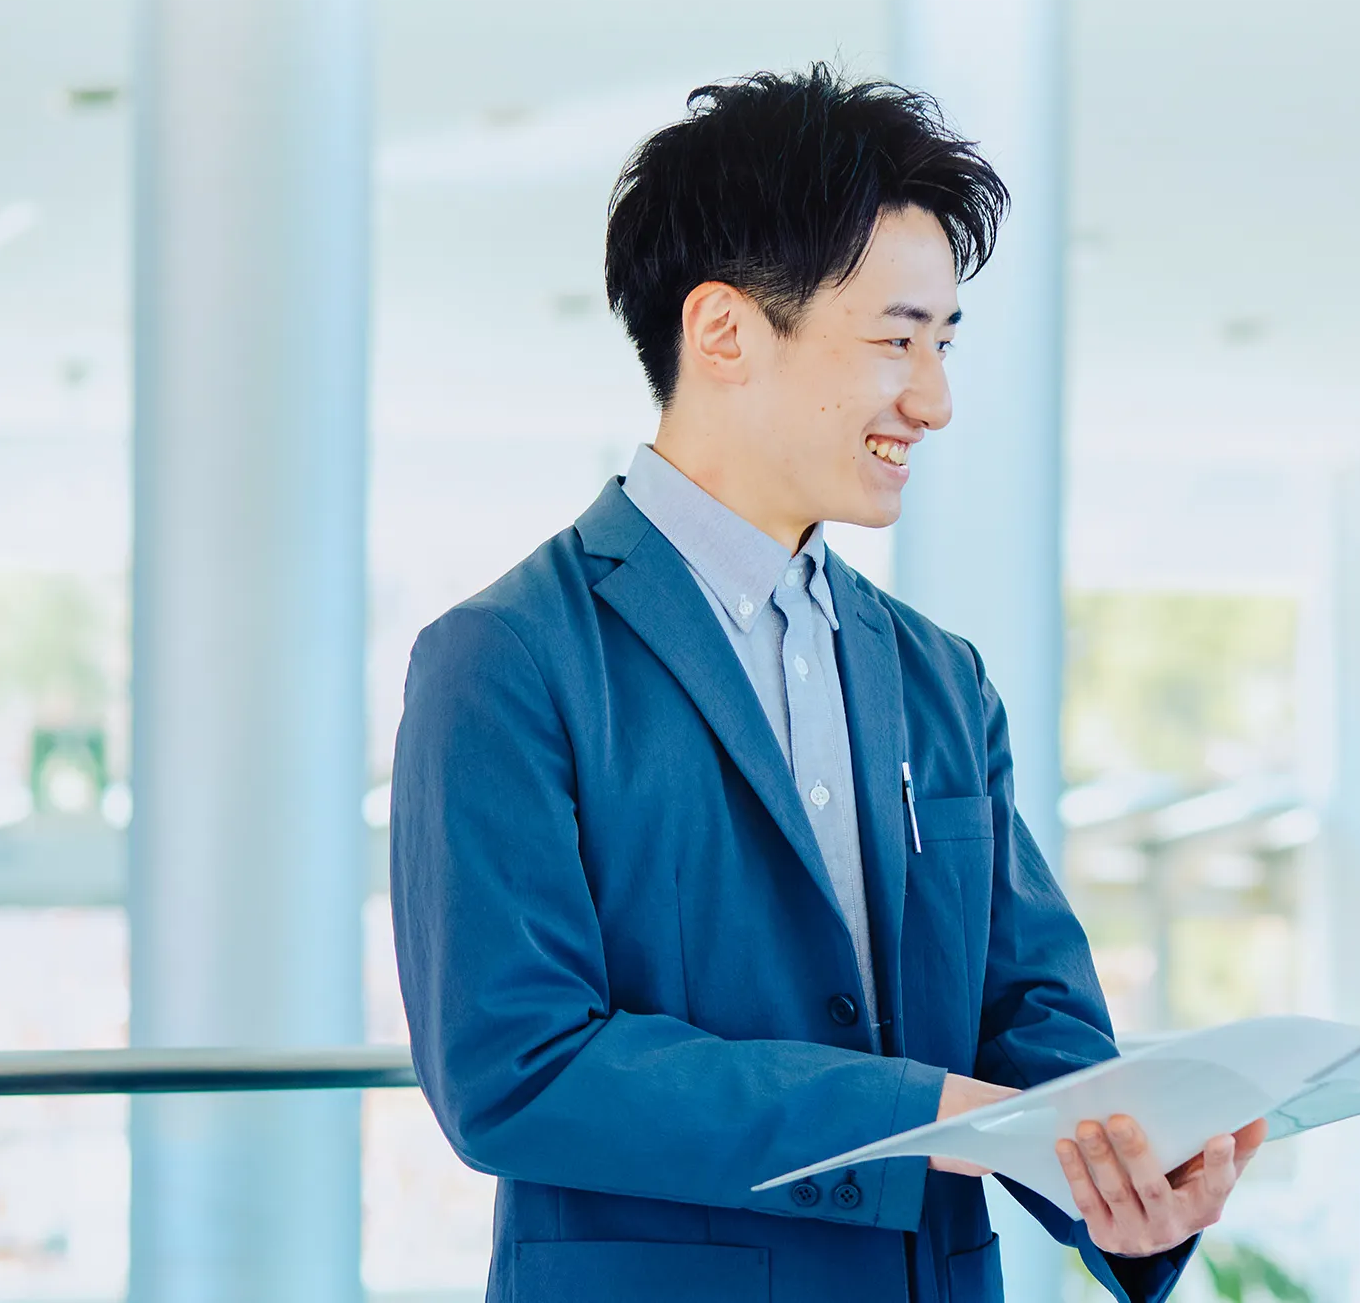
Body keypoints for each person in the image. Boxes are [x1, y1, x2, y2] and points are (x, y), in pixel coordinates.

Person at [391, 67, 1261, 1303]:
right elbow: (515, 1070)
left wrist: (1127, 1184)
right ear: (725, 332)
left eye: (944, 343)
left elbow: (1030, 1011)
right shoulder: (505, 660)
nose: (935, 399)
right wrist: (920, 1111)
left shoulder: (937, 675)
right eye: (898, 339)